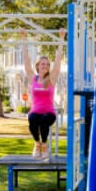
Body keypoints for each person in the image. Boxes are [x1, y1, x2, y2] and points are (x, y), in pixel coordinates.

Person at [22, 28, 65, 160]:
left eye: (47, 64)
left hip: (49, 113)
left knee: (44, 120)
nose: (45, 66)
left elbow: (58, 60)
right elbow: (26, 61)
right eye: (42, 64)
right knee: (33, 119)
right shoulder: (32, 78)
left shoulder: (51, 78)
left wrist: (61, 38)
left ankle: (44, 145)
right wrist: (23, 38)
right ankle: (37, 143)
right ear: (38, 66)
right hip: (35, 112)